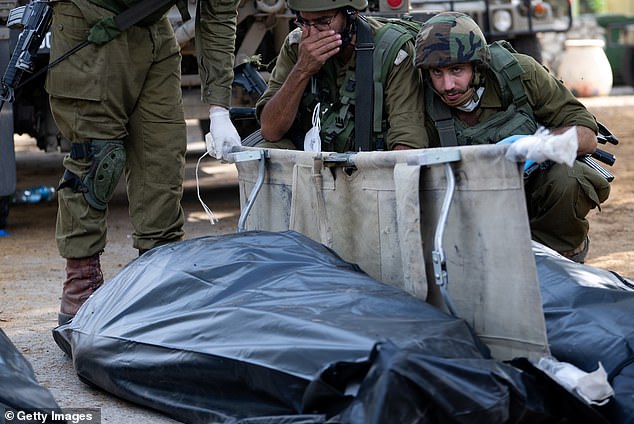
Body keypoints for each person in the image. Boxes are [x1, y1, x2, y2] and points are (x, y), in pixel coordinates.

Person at [46, 0, 241, 325]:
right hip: (90, 22)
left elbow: (218, 10)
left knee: (162, 158)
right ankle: (81, 285)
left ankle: (155, 282)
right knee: (96, 162)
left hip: (152, 28)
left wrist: (219, 108)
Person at [414, 11, 610, 263]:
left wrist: (538, 145)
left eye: (456, 70)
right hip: (464, 203)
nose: (447, 85)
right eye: (437, 73)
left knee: (569, 179)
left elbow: (586, 136)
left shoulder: (520, 73)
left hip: (531, 191)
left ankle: (558, 259)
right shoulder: (419, 96)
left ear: (478, 65)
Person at [255, 0, 428, 152]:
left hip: (373, 162)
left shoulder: (393, 51)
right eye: (304, 22)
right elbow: (270, 129)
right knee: (262, 153)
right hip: (314, 158)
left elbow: (406, 142)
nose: (312, 34)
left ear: (352, 15)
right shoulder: (296, 46)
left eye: (323, 22)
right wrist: (302, 70)